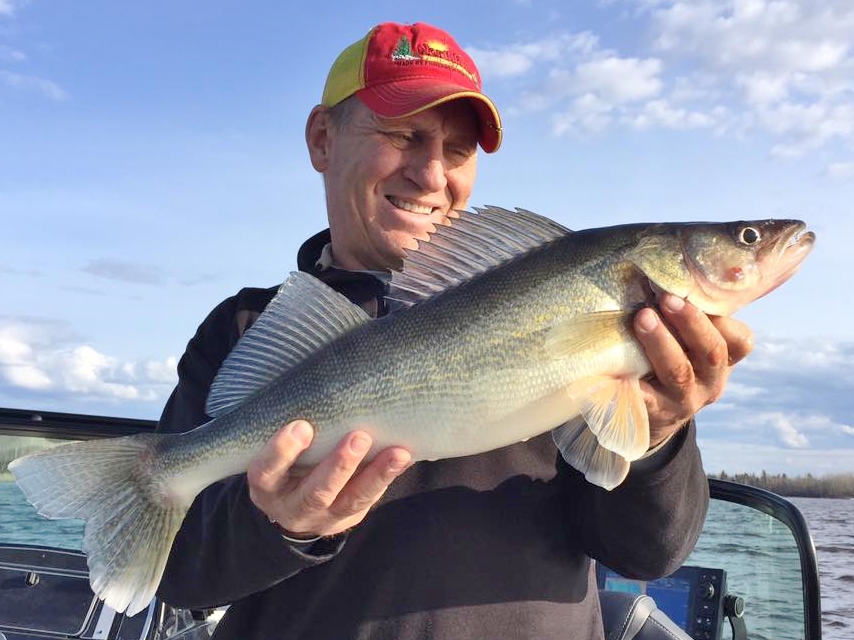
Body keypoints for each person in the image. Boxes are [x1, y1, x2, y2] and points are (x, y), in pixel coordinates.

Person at [155, 21, 753, 640]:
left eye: (459, 150)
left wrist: (657, 437)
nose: (432, 174)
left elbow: (647, 555)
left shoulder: (567, 310)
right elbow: (175, 569)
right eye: (402, 135)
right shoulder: (247, 328)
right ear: (322, 139)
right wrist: (278, 526)